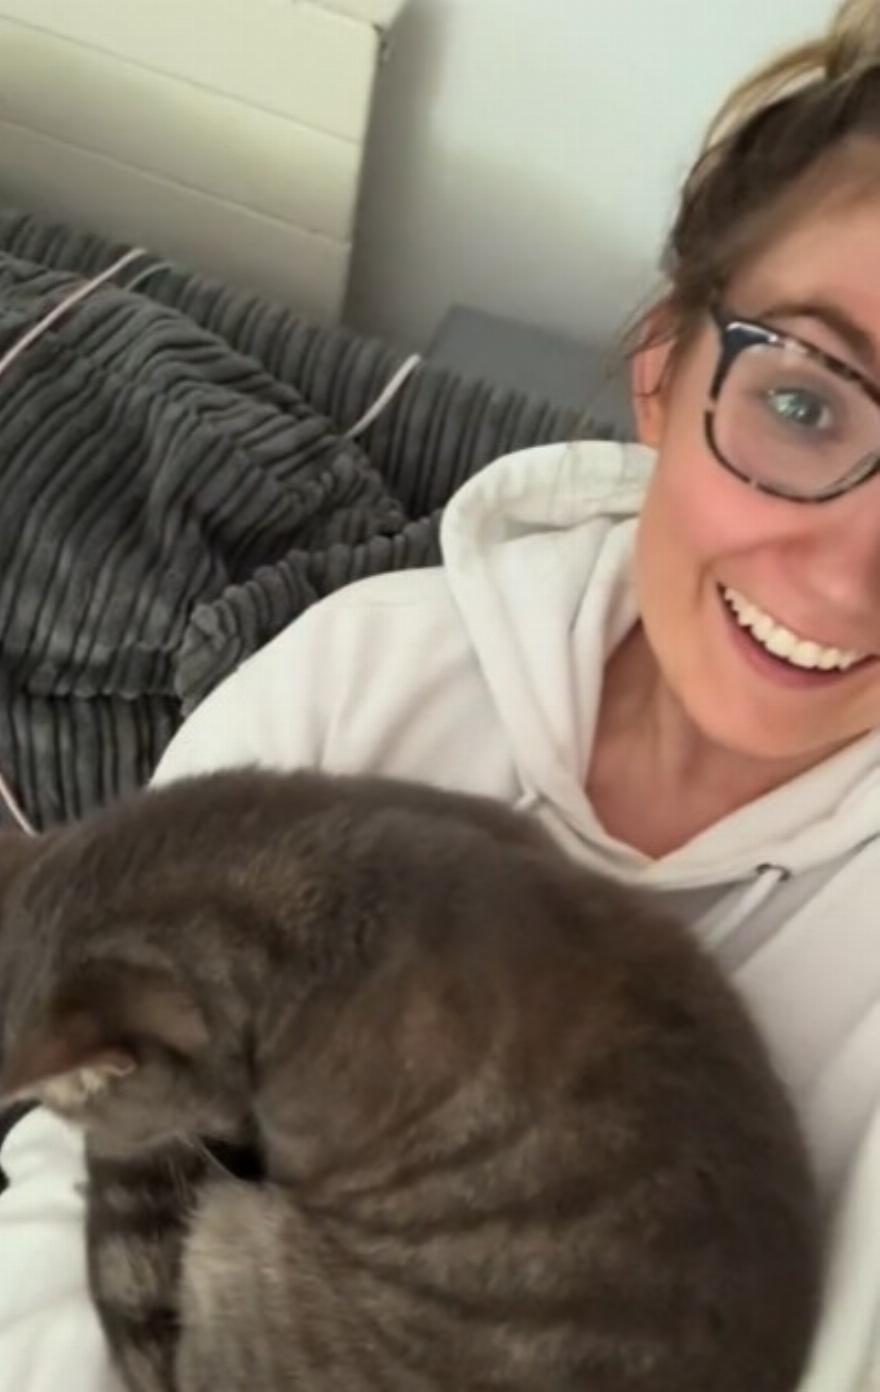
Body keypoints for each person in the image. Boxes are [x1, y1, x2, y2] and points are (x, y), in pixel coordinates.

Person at [3, 0, 880, 1386]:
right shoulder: (365, 671)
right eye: (804, 402)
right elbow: (64, 1184)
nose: (847, 576)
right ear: (663, 368)